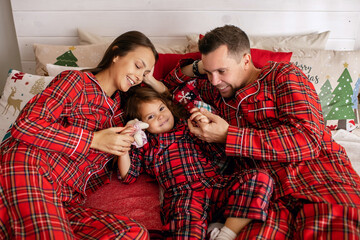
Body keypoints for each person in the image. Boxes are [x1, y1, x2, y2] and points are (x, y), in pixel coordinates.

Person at [164, 25, 360, 239]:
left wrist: (228, 136)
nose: (214, 80)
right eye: (209, 72)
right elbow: (170, 85)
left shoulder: (283, 75)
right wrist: (199, 67)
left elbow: (308, 139)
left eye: (221, 70)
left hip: (318, 179)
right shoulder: (217, 90)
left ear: (246, 60)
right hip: (267, 199)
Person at [0, 31, 161, 239]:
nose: (139, 77)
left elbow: (167, 107)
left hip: (64, 200)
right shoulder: (76, 82)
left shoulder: (124, 115)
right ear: (116, 54)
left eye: (146, 73)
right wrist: (94, 139)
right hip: (32, 169)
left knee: (133, 234)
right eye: (138, 66)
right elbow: (26, 124)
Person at [118, 86, 274, 240]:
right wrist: (124, 146)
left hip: (214, 184)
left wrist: (203, 124)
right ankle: (210, 228)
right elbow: (128, 175)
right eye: (150, 117)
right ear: (141, 125)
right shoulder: (145, 145)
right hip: (184, 195)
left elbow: (219, 153)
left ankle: (225, 234)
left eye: (161, 109)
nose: (160, 116)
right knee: (186, 228)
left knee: (260, 178)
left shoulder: (187, 128)